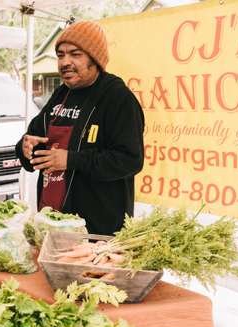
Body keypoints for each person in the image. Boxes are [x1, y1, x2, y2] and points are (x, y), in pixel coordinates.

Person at [15, 21, 145, 234]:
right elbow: (35, 137)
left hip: (97, 230)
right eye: (60, 55)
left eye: (75, 54)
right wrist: (25, 147)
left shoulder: (118, 98)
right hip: (52, 221)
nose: (65, 62)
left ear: (95, 59)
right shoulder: (61, 94)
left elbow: (130, 160)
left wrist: (71, 159)